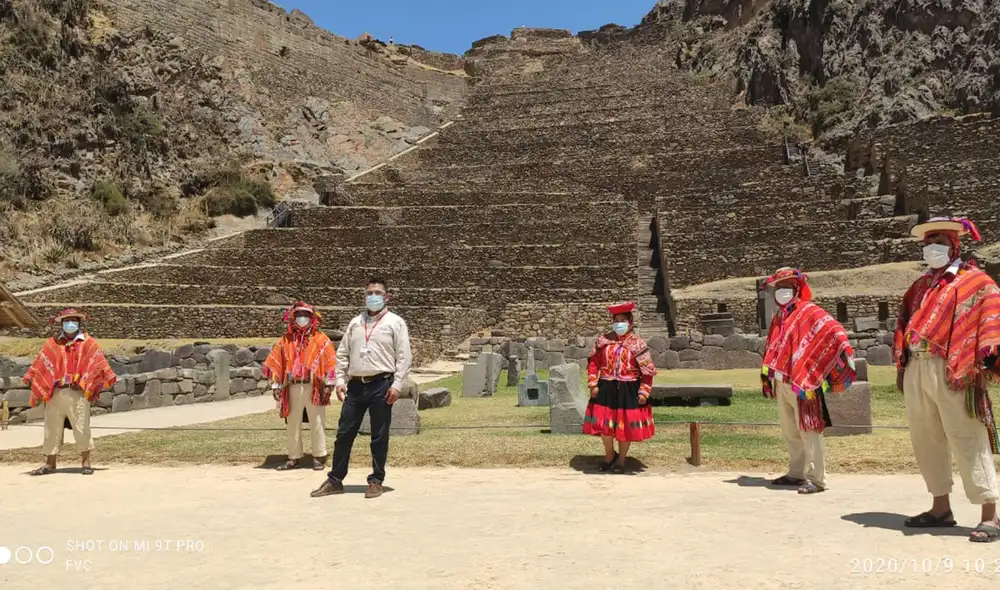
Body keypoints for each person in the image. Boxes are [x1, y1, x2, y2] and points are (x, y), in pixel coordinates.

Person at [894, 217, 1000, 542]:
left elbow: (992, 313)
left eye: (938, 241)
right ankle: (940, 508)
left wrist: (984, 354)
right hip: (917, 367)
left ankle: (990, 515)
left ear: (953, 245)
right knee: (926, 439)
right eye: (927, 243)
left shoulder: (975, 282)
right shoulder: (920, 287)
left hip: (954, 370)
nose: (931, 248)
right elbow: (904, 320)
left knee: (967, 437)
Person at [311, 276, 412, 499]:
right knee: (344, 434)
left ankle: (376, 480)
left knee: (379, 435)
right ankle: (335, 480)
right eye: (369, 293)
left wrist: (397, 385)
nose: (373, 296)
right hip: (356, 385)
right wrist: (339, 380)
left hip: (381, 384)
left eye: (378, 293)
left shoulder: (395, 323)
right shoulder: (355, 322)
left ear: (387, 297)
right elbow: (343, 353)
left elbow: (404, 356)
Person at [761, 268, 856, 494]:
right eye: (778, 287)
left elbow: (834, 331)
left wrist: (835, 355)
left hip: (805, 383)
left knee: (809, 429)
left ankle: (816, 478)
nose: (781, 291)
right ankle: (797, 472)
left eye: (786, 287)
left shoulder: (810, 311)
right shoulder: (779, 317)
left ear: (796, 288)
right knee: (790, 429)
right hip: (782, 380)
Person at [23, 309, 117, 476]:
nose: (70, 324)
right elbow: (41, 364)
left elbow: (97, 365)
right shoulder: (52, 344)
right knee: (52, 428)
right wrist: (33, 377)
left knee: (81, 426)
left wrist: (84, 382)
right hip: (55, 393)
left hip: (78, 394)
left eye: (73, 320)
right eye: (67, 321)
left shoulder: (89, 344)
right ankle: (50, 463)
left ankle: (86, 462)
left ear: (79, 323)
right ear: (62, 324)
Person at [262, 301, 337, 471]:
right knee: (292, 423)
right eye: (298, 315)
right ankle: (293, 457)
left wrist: (329, 385)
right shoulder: (285, 340)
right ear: (293, 318)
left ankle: (318, 456)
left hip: (314, 387)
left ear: (312, 318)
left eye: (305, 315)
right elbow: (276, 362)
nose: (302, 318)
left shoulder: (321, 339)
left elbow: (331, 362)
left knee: (317, 421)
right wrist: (276, 385)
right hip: (292, 387)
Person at [583, 301, 657, 473]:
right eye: (616, 321)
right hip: (606, 387)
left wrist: (644, 391)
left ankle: (621, 460)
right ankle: (609, 455)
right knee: (605, 425)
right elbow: (593, 363)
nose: (619, 324)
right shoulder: (603, 341)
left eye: (622, 320)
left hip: (629, 389)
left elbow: (647, 372)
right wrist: (593, 384)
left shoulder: (638, 345)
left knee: (625, 427)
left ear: (630, 322)